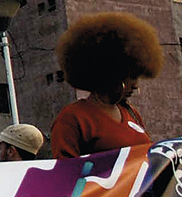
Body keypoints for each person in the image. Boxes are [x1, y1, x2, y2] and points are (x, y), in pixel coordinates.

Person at [48, 12, 162, 160]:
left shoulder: (132, 113)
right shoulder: (73, 118)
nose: (135, 85)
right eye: (132, 77)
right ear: (112, 72)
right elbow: (64, 173)